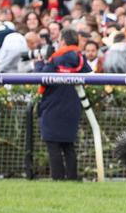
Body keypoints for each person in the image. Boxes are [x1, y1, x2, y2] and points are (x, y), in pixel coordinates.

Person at [35, 28, 91, 180]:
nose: (58, 43)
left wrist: (39, 63)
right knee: (68, 146)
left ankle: (58, 178)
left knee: (53, 144)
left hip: (52, 105)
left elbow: (42, 77)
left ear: (64, 41)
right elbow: (90, 74)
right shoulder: (81, 58)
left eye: (59, 40)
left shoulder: (56, 58)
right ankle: (72, 178)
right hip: (72, 106)